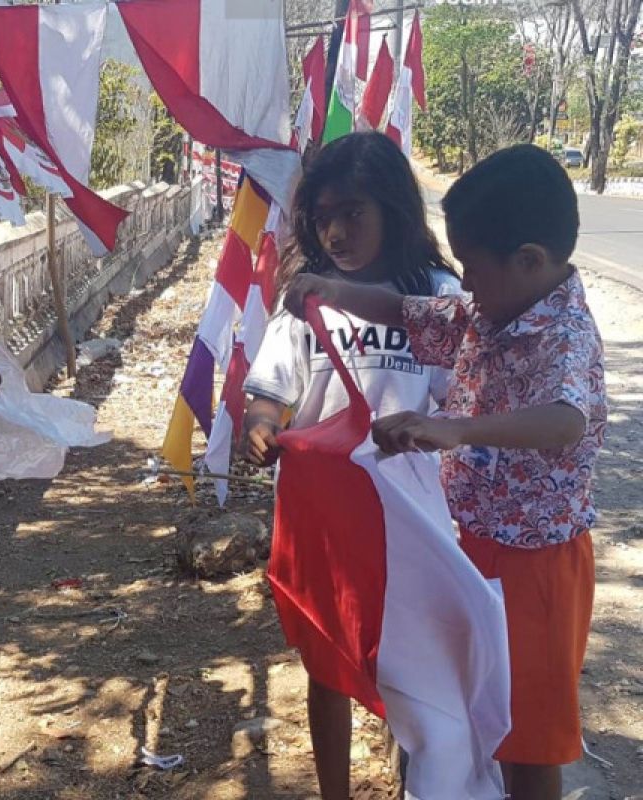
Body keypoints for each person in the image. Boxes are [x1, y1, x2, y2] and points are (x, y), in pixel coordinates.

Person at [284, 144, 606, 800]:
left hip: (537, 565)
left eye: (470, 265)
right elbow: (407, 312)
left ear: (528, 262)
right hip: (471, 549)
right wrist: (333, 291)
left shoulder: (563, 335)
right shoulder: (491, 310)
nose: (463, 280)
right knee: (472, 713)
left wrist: (454, 429)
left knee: (529, 740)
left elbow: (564, 420)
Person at [241, 131, 459, 800]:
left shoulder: (436, 293)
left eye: (353, 213)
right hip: (326, 523)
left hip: (414, 519)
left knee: (417, 661)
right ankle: (335, 790)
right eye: (324, 217)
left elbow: (461, 402)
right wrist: (260, 426)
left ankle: (421, 776)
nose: (336, 232)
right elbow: (270, 392)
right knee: (328, 664)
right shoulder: (304, 301)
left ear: (393, 208)